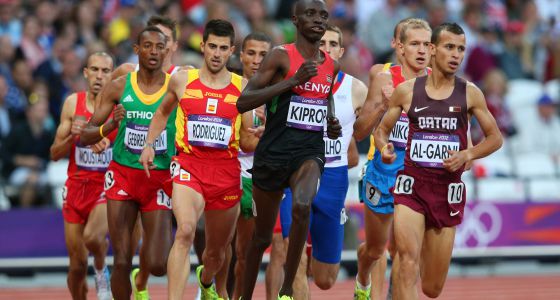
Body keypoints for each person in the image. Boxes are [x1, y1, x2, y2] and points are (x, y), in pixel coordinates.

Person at [374, 23, 502, 299]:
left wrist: (468, 154)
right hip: (411, 185)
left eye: (461, 49)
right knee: (406, 261)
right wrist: (384, 149)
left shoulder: (470, 93)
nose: (456, 54)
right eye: (449, 47)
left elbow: (495, 138)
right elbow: (382, 131)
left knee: (432, 287)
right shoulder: (407, 91)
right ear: (433, 49)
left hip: (447, 190)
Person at [139, 19, 252, 300]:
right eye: (211, 46)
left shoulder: (243, 87)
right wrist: (149, 144)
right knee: (185, 231)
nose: (216, 53)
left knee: (215, 253)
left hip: (226, 172)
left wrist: (261, 135)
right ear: (202, 46)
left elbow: (248, 139)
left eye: (222, 48)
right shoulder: (182, 80)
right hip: (189, 165)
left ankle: (206, 280)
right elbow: (162, 113)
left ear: (231, 51)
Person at [237, 0, 342, 298]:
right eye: (311, 14)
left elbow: (324, 100)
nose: (318, 20)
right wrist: (292, 82)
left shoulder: (330, 65)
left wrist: (331, 123)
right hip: (273, 154)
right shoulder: (280, 57)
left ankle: (286, 289)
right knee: (260, 239)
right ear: (295, 20)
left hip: (309, 151)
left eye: (323, 15)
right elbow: (243, 102)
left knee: (302, 205)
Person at [80, 26, 174, 300]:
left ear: (166, 51)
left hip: (158, 178)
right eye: (148, 46)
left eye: (159, 47)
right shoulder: (119, 86)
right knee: (121, 258)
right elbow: (85, 136)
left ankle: (145, 263)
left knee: (157, 265)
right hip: (123, 176)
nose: (153, 52)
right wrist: (110, 124)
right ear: (137, 50)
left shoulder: (176, 88)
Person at [279, 24, 366, 295]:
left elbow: (361, 134)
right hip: (295, 172)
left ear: (340, 50)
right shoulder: (293, 79)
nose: (326, 49)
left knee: (326, 278)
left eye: (332, 44)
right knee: (292, 254)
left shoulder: (357, 89)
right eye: (322, 43)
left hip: (333, 177)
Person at [352, 18, 432, 300]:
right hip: (383, 171)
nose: (421, 50)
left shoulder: (440, 83)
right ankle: (363, 280)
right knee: (376, 249)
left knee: (406, 250)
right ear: (399, 47)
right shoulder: (383, 77)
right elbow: (360, 131)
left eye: (426, 44)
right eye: (414, 44)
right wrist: (385, 106)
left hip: (418, 174)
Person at [50, 52, 118, 300]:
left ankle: (101, 268)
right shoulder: (72, 104)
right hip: (76, 186)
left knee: (93, 237)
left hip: (105, 185)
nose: (100, 76)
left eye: (106, 71)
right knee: (77, 266)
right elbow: (54, 154)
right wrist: (73, 136)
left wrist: (105, 138)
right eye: (95, 70)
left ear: (112, 76)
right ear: (86, 73)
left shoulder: (118, 108)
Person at [230, 31, 272, 300]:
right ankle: (211, 289)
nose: (257, 60)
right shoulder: (228, 86)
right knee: (219, 248)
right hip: (226, 173)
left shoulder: (278, 92)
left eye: (263, 55)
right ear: (241, 55)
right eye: (252, 53)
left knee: (244, 253)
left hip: (258, 179)